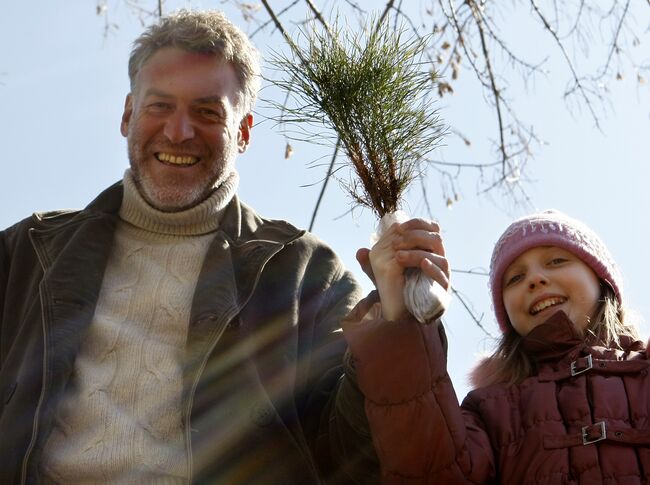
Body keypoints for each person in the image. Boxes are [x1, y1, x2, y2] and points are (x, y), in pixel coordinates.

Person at [0, 9, 442, 484]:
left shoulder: (305, 272)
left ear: (245, 131)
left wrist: (394, 327)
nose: (178, 132)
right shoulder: (26, 255)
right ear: (128, 114)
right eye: (159, 106)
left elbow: (357, 454)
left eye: (207, 111)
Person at [344, 209, 650, 483]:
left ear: (603, 282)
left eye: (557, 260)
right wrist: (401, 315)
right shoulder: (489, 410)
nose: (536, 279)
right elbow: (436, 470)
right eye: (515, 278)